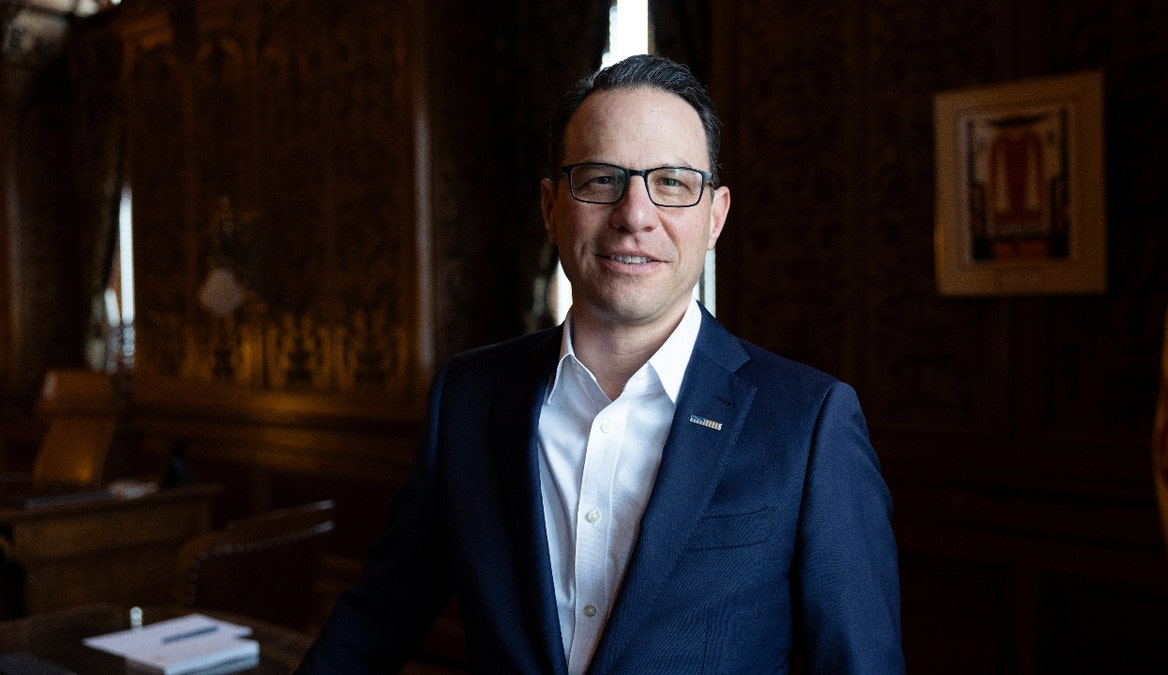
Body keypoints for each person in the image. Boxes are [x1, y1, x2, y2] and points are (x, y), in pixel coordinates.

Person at [297, 53, 904, 674]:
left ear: (715, 216)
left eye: (671, 182)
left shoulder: (809, 420)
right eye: (600, 179)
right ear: (551, 207)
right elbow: (377, 621)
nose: (635, 215)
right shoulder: (470, 397)